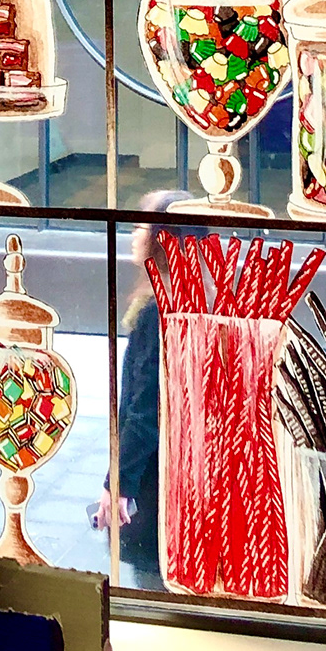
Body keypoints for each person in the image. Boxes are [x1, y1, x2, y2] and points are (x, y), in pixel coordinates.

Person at [92, 194, 193, 589]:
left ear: (164, 240)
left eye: (143, 226)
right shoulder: (190, 299)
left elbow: (145, 411)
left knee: (154, 588)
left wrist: (118, 483)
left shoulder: (156, 313)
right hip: (183, 480)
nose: (135, 235)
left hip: (154, 487)